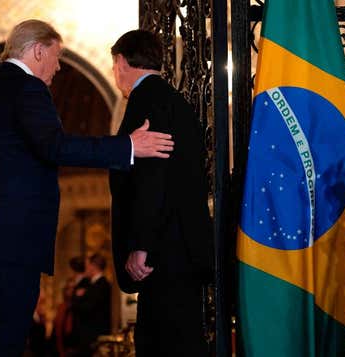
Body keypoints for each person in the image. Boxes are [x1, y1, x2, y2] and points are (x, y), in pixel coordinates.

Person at [0, 20, 174, 356]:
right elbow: (56, 146)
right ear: (38, 50)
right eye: (56, 55)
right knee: (4, 345)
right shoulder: (28, 88)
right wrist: (128, 147)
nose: (59, 66)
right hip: (11, 246)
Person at [108, 30, 213, 356]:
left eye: (114, 67)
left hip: (162, 254)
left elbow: (151, 179)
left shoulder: (146, 102)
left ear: (121, 61)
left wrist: (140, 245)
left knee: (162, 345)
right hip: (184, 248)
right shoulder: (176, 101)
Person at [71, 253, 111, 357]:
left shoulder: (102, 284)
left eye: (87, 265)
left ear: (93, 266)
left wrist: (78, 298)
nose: (85, 268)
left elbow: (87, 308)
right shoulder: (91, 284)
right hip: (88, 335)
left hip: (93, 335)